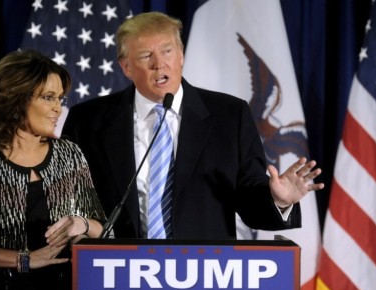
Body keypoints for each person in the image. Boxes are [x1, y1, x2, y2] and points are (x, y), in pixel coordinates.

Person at [62, 12, 324, 240]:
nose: (159, 64)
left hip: (203, 274)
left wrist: (278, 200)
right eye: (145, 56)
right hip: (115, 274)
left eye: (167, 51)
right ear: (127, 68)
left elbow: (249, 201)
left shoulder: (230, 116)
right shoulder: (88, 121)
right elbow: (69, 197)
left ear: (181, 55)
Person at [0, 50, 106, 290]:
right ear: (16, 99)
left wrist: (82, 223)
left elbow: (101, 227)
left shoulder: (69, 154)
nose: (58, 108)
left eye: (60, 98)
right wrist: (26, 259)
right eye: (48, 97)